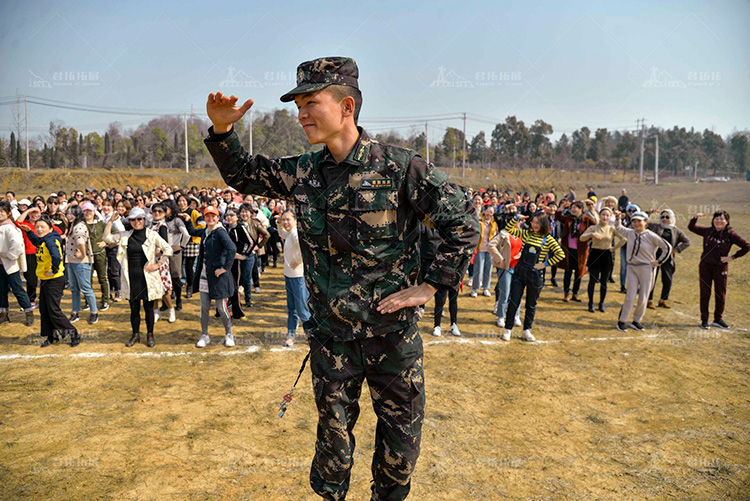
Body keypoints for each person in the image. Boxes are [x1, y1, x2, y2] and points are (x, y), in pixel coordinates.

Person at [203, 56, 478, 500]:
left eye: (311, 102)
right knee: (333, 454)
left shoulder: (399, 167)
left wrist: (430, 285)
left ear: (347, 106)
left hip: (393, 340)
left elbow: (463, 219)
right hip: (333, 341)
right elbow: (243, 174)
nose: (301, 114)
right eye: (298, 105)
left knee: (399, 454)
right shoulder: (304, 172)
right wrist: (221, 132)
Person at [103, 208, 173, 347]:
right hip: (131, 277)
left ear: (144, 220)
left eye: (139, 219)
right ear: (130, 221)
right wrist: (110, 222)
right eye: (133, 219)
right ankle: (135, 334)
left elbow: (168, 249)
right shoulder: (125, 235)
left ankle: (150, 335)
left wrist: (158, 264)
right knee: (134, 309)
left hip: (148, 278)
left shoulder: (152, 235)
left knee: (148, 309)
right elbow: (107, 238)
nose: (136, 222)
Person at [501, 211, 564, 341]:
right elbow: (508, 229)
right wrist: (517, 218)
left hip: (535, 276)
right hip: (520, 273)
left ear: (543, 224)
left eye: (537, 223)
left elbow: (560, 254)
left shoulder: (548, 239)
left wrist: (544, 264)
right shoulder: (526, 233)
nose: (534, 225)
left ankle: (526, 330)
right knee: (514, 301)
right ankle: (508, 329)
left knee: (531, 304)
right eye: (533, 222)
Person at [181, 206, 237, 348]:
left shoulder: (220, 232)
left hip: (218, 275)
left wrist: (225, 268)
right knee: (204, 306)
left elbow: (232, 248)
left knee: (220, 306)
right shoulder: (206, 231)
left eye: (213, 216)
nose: (210, 218)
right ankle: (204, 335)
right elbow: (193, 231)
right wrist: (188, 220)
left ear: (218, 218)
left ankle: (229, 333)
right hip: (205, 274)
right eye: (207, 216)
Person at [19, 215, 79, 346]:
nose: (39, 229)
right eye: (37, 227)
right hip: (46, 280)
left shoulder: (51, 240)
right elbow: (37, 241)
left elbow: (56, 256)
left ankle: (73, 333)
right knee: (44, 310)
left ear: (51, 229)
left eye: (42, 227)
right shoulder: (44, 239)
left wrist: (54, 269)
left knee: (53, 310)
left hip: (55, 280)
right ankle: (52, 336)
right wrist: (29, 231)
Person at [688, 211, 749, 329]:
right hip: (705, 266)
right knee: (705, 293)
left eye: (722, 219)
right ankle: (704, 320)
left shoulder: (730, 234)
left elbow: (746, 246)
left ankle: (718, 319)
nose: (718, 221)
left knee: (720, 294)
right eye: (716, 218)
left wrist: (732, 257)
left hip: (720, 267)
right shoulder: (708, 231)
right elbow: (691, 227)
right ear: (713, 220)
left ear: (727, 221)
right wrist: (695, 217)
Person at [614, 211, 671, 332]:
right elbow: (618, 228)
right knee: (630, 296)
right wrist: (618, 217)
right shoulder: (630, 233)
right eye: (634, 221)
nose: (636, 224)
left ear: (645, 222)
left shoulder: (651, 235)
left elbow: (667, 247)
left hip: (646, 268)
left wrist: (659, 261)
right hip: (632, 267)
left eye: (639, 221)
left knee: (644, 296)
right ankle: (622, 321)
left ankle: (636, 321)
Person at [579, 207, 626, 312]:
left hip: (606, 255)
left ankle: (601, 303)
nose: (605, 217)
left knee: (604, 282)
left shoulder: (611, 228)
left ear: (610, 217)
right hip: (595, 254)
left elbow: (624, 239)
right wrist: (591, 234)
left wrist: (614, 248)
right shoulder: (593, 227)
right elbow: (582, 238)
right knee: (592, 280)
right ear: (599, 216)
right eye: (603, 214)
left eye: (607, 215)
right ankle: (590, 303)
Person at [278, 209, 311, 346]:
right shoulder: (290, 233)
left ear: (295, 220)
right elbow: (282, 234)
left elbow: (307, 248)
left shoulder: (297, 233)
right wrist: (279, 223)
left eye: (288, 219)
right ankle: (291, 335)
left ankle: (312, 335)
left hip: (298, 277)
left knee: (302, 310)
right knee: (292, 309)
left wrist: (298, 260)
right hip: (289, 275)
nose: (285, 222)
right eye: (283, 219)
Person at [646, 209, 691, 309]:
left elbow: (687, 242)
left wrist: (677, 249)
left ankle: (663, 300)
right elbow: (643, 220)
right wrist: (649, 212)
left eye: (667, 217)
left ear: (671, 218)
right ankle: (649, 300)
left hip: (668, 258)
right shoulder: (654, 226)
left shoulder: (676, 231)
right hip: (654, 257)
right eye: (662, 217)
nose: (665, 219)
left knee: (667, 280)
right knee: (651, 279)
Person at [0, 202, 34, 326]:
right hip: (1, 264)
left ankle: (29, 313)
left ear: (8, 213)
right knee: (1, 289)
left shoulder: (9, 227)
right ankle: (3, 314)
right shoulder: (2, 226)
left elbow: (18, 246)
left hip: (9, 264)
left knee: (17, 289)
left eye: (1, 212)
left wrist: (8, 256)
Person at [488, 209, 522, 329]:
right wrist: (500, 259)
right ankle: (501, 316)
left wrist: (521, 254)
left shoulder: (522, 234)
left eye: (519, 222)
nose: (519, 224)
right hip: (506, 268)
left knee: (517, 293)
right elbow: (490, 245)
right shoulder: (503, 233)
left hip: (518, 269)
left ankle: (516, 315)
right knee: (505, 293)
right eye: (517, 221)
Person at [65, 205, 99, 324]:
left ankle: (94, 312)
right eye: (68, 213)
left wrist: (83, 253)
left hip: (81, 263)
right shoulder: (74, 224)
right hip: (72, 261)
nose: (69, 216)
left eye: (71, 213)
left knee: (86, 288)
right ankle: (75, 312)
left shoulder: (78, 227)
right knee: (74, 288)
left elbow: (80, 241)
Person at [556, 200, 595, 302]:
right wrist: (561, 207)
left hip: (581, 251)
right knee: (568, 272)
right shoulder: (569, 218)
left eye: (575, 208)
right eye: (572, 207)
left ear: (580, 209)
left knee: (578, 273)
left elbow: (596, 227)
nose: (573, 209)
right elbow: (558, 216)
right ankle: (566, 294)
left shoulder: (586, 220)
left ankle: (575, 293)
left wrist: (590, 240)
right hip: (568, 250)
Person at [224, 207, 256, 319]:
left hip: (235, 262)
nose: (229, 217)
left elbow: (251, 242)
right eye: (227, 215)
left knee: (234, 286)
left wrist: (244, 255)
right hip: (224, 261)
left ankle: (238, 312)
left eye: (232, 215)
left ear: (237, 217)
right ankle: (222, 310)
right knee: (224, 285)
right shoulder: (224, 228)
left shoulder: (240, 228)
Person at [149, 203, 176, 323]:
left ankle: (171, 310)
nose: (157, 213)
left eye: (160, 211)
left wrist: (155, 252)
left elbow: (164, 245)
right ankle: (156, 312)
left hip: (160, 260)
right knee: (152, 288)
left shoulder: (162, 226)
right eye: (155, 211)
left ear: (165, 213)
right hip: (150, 260)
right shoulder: (150, 225)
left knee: (163, 289)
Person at [82, 202, 110, 312]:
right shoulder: (80, 224)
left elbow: (111, 234)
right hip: (86, 256)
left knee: (102, 278)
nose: (88, 213)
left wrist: (105, 242)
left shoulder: (100, 224)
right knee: (87, 280)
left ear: (94, 212)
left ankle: (105, 300)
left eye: (90, 210)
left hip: (99, 255)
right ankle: (88, 301)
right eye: (85, 210)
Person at [176, 195, 204, 300]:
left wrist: (193, 230)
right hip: (177, 242)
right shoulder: (176, 213)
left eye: (184, 201)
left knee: (189, 266)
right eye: (179, 201)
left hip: (191, 242)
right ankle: (176, 289)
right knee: (176, 267)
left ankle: (190, 288)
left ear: (188, 202)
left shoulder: (194, 212)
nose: (181, 203)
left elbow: (202, 225)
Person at [471, 205, 497, 297]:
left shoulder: (494, 224)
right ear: (484, 211)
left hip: (489, 250)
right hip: (480, 249)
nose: (489, 213)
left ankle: (486, 288)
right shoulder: (479, 221)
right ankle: (474, 288)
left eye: (491, 212)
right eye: (488, 211)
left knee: (488, 269)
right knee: (478, 269)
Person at [102, 200, 125, 301]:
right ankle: (111, 291)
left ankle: (118, 292)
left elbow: (121, 232)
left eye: (108, 206)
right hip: (108, 247)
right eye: (104, 205)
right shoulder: (106, 217)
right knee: (110, 270)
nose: (106, 208)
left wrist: (113, 243)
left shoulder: (114, 218)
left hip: (114, 248)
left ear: (113, 208)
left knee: (114, 271)